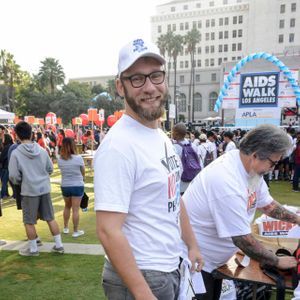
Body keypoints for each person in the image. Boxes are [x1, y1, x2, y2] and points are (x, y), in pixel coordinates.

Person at [94, 38, 202, 300]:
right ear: (121, 86)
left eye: (156, 76)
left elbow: (174, 196)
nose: (150, 87)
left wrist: (192, 244)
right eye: (137, 79)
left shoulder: (159, 135)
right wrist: (144, 294)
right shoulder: (118, 146)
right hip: (140, 275)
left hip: (169, 265)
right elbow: (108, 230)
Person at [182, 124, 300, 300]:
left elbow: (268, 205)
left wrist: (297, 219)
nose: (273, 169)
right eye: (273, 163)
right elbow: (242, 239)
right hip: (195, 262)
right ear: (255, 155)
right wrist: (276, 261)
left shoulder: (250, 171)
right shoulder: (226, 180)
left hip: (213, 261)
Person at [8, 121, 64, 256]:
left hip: (29, 190)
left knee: (29, 221)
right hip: (44, 188)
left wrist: (24, 180)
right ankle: (59, 245)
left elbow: (14, 176)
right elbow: (50, 169)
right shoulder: (42, 150)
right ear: (31, 133)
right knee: (50, 218)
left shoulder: (16, 153)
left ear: (17, 135)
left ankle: (33, 249)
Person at [58, 137, 85, 237]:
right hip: (77, 185)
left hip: (65, 185)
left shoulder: (59, 159)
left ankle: (65, 228)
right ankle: (75, 231)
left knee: (67, 207)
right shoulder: (78, 158)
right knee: (76, 209)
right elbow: (83, 172)